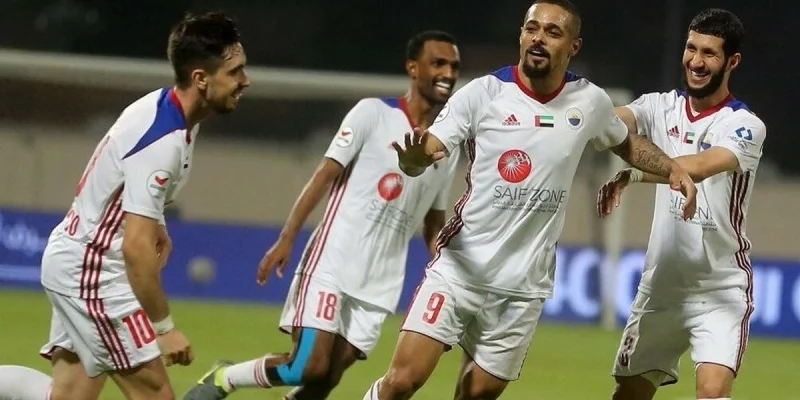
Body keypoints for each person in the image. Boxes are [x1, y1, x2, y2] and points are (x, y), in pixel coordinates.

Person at [360, 1, 699, 399]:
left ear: (573, 46)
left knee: (479, 394)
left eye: (553, 32)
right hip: (460, 272)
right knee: (402, 381)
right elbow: (429, 148)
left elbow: (627, 144)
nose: (538, 38)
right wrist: (413, 159)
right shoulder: (484, 93)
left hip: (523, 288)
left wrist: (673, 169)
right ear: (521, 35)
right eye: (531, 28)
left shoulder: (589, 101)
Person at [183, 30, 462, 400]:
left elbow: (433, 221)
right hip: (333, 262)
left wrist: (448, 272)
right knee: (307, 366)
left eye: (454, 66)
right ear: (413, 68)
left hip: (380, 281)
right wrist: (287, 237)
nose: (448, 73)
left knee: (325, 380)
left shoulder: (445, 147)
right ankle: (225, 378)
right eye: (438, 63)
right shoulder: (373, 113)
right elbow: (324, 175)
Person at [0, 11, 250, 400]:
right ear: (201, 78)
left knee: (68, 396)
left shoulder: (168, 108)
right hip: (94, 273)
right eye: (235, 72)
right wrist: (164, 329)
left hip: (79, 260)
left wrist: (157, 221)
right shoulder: (164, 140)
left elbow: (122, 183)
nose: (245, 81)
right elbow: (135, 247)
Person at [597, 9, 765, 400]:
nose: (696, 61)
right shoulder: (659, 106)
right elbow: (614, 122)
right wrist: (585, 119)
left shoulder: (744, 126)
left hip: (720, 288)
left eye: (709, 53)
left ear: (732, 61)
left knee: (712, 393)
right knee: (628, 394)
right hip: (661, 287)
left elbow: (701, 167)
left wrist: (639, 169)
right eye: (691, 48)